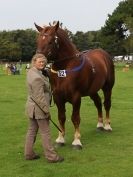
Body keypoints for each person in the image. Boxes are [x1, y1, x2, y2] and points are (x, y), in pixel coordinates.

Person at [25, 53, 64, 163]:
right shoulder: (37, 77)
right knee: (45, 132)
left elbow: (46, 74)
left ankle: (29, 154)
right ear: (34, 62)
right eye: (39, 62)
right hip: (39, 108)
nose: (42, 64)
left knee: (32, 130)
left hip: (32, 107)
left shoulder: (32, 72)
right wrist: (46, 111)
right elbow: (39, 97)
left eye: (43, 62)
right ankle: (52, 157)